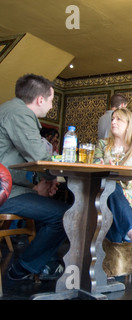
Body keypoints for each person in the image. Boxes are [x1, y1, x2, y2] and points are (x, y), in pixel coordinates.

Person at [0, 74, 71, 281]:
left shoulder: (9, 109)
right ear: (40, 99)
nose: (51, 106)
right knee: (65, 216)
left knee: (48, 205)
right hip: (6, 193)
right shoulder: (19, 114)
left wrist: (46, 180)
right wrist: (52, 178)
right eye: (51, 100)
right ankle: (23, 268)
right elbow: (40, 156)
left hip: (10, 187)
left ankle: (47, 265)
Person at [93, 108, 132, 253]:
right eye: (112, 119)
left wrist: (118, 176)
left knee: (112, 189)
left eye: (118, 119)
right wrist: (107, 170)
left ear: (129, 124)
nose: (113, 122)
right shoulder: (103, 145)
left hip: (128, 196)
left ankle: (109, 266)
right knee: (110, 187)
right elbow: (95, 169)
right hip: (102, 193)